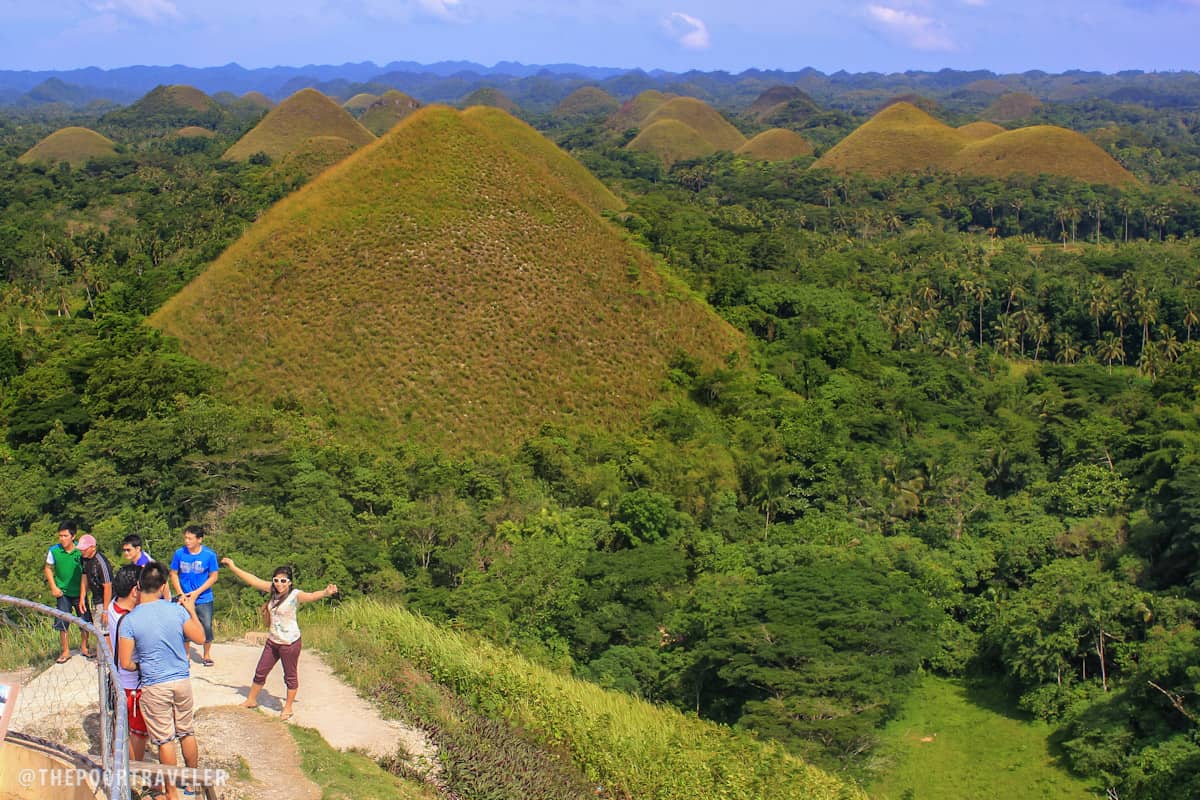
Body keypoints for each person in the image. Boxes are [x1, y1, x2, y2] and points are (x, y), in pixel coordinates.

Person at [118, 562, 205, 800]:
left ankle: (171, 793)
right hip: (181, 681)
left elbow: (125, 662)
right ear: (164, 586)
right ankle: (194, 784)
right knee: (186, 732)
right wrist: (191, 610)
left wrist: (142, 664)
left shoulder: (130, 621)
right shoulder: (176, 610)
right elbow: (200, 637)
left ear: (138, 586)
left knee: (165, 740)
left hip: (154, 685)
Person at [220, 558, 337, 721]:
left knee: (290, 676)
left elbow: (310, 596)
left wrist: (325, 592)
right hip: (273, 640)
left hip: (290, 643)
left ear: (289, 582)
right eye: (276, 580)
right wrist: (233, 567)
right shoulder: (272, 590)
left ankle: (288, 708)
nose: (279, 583)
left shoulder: (295, 595)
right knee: (261, 671)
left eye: (283, 580)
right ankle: (251, 700)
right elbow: (253, 580)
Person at [105, 565, 149, 761]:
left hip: (119, 681)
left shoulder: (113, 606)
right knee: (137, 735)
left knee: (123, 730)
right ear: (134, 590)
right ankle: (132, 775)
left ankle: (123, 768)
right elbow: (129, 659)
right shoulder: (131, 620)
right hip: (133, 684)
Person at [169, 526, 218, 666]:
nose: (187, 541)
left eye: (190, 538)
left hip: (204, 597)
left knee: (206, 625)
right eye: (185, 538)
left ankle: (207, 655)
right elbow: (173, 573)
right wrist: (180, 593)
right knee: (184, 625)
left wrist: (197, 593)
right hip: (184, 596)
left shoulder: (209, 555)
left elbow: (214, 576)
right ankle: (186, 655)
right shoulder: (179, 553)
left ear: (199, 539)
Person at [44, 520, 87, 663]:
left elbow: (86, 571)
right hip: (62, 592)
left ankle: (85, 647)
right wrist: (53, 587)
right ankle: (65, 650)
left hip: (79, 591)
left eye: (65, 536)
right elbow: (48, 568)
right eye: (60, 536)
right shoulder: (54, 550)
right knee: (62, 622)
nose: (62, 539)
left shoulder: (80, 550)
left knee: (84, 620)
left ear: (73, 536)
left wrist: (84, 593)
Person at [78, 534, 114, 648]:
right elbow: (84, 576)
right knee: (98, 629)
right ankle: (103, 656)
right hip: (95, 598)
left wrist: (105, 610)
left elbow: (108, 586)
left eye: (84, 549)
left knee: (104, 630)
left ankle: (108, 660)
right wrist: (82, 597)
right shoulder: (83, 559)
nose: (82, 551)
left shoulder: (101, 562)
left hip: (105, 600)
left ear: (93, 547)